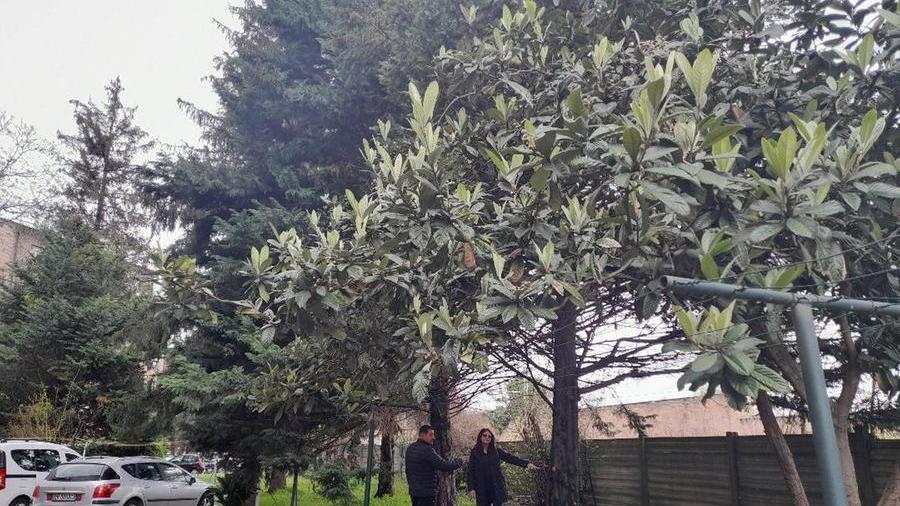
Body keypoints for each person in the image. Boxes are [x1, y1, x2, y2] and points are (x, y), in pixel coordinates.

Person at [466, 428, 539, 506]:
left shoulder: (496, 451)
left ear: (491, 438)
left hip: (496, 486)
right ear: (480, 436)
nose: (487, 437)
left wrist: (526, 464)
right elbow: (470, 471)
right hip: (482, 487)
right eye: (484, 435)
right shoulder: (475, 452)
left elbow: (510, 458)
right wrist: (471, 488)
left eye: (489, 436)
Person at [405, 424, 464, 506]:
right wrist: (459, 461)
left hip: (414, 492)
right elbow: (443, 465)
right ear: (422, 435)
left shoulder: (410, 449)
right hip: (426, 493)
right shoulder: (427, 450)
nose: (433, 437)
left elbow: (407, 471)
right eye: (431, 435)